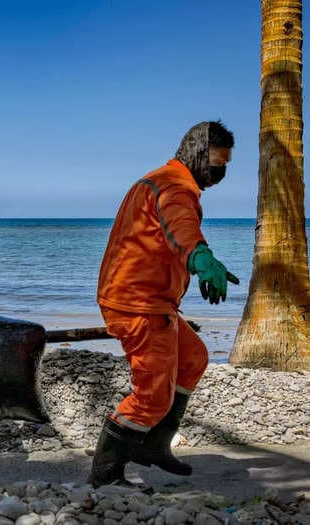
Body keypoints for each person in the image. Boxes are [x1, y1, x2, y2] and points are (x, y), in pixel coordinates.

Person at [89, 121, 239, 487]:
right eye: (217, 164)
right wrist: (201, 258)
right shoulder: (175, 186)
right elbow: (181, 227)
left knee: (193, 359)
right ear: (198, 154)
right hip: (139, 304)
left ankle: (154, 444)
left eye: (226, 166)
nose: (220, 174)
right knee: (152, 395)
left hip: (149, 299)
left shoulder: (156, 179)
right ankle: (106, 476)